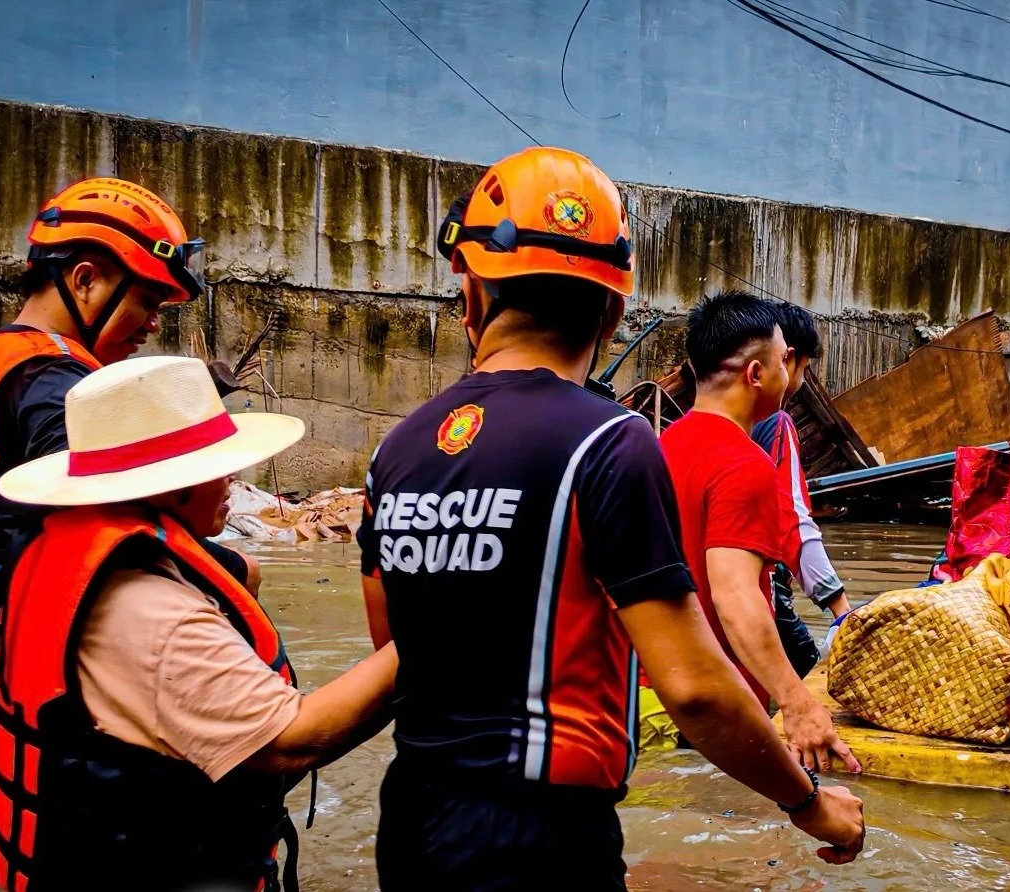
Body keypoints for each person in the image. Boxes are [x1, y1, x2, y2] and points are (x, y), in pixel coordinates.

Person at [358, 146, 864, 890]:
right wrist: (807, 801)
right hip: (540, 836)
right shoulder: (608, 441)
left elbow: (398, 652)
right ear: (614, 306)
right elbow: (690, 685)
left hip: (410, 818)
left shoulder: (396, 450)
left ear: (470, 294)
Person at [0, 354, 399, 891]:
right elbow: (292, 741)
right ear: (166, 482)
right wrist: (437, 630)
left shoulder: (56, 549)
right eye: (215, 463)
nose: (232, 475)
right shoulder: (151, 609)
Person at [0, 177, 260, 807]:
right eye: (148, 302)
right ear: (85, 279)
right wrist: (231, 569)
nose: (151, 324)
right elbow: (99, 541)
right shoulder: (56, 387)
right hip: (46, 674)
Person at [659, 290, 861, 774]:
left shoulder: (660, 445)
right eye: (781, 360)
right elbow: (735, 594)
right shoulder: (743, 461)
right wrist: (798, 703)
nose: (788, 372)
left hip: (655, 695)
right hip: (717, 702)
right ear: (756, 374)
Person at [751, 299, 853, 677]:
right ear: (786, 358)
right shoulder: (776, 425)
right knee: (811, 680)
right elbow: (792, 519)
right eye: (804, 369)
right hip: (763, 593)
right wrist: (839, 605)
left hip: (721, 598)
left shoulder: (701, 429)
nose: (801, 381)